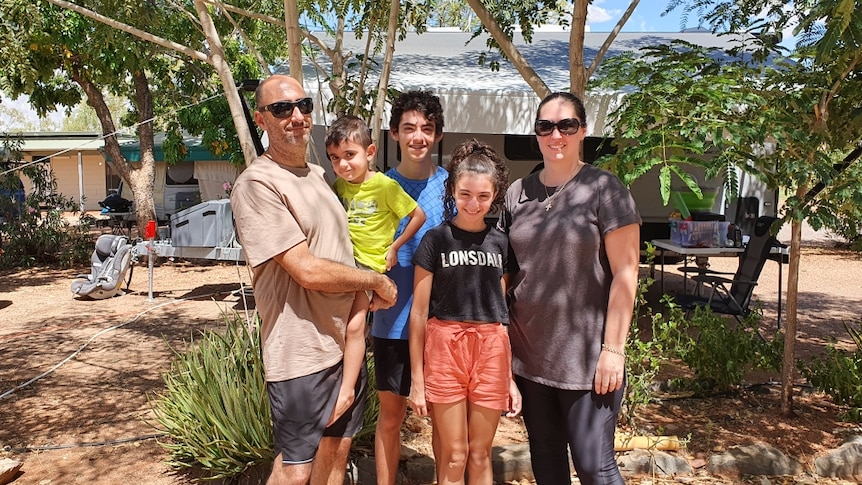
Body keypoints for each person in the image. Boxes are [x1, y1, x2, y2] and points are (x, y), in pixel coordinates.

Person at [230, 74, 397, 485]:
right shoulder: (257, 184)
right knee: (295, 468)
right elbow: (304, 268)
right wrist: (371, 281)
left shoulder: (320, 175)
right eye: (282, 109)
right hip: (301, 353)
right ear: (261, 119)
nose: (297, 116)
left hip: (343, 347)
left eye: (303, 105)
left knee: (337, 450)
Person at [497, 92, 642, 485]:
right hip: (530, 359)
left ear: (583, 131)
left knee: (595, 467)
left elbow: (627, 273)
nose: (555, 135)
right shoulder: (517, 194)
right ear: (537, 134)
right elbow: (505, 273)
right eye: (546, 127)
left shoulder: (604, 189)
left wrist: (614, 350)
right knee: (546, 463)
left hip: (588, 361)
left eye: (566, 126)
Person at [407, 139, 522, 485]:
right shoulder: (435, 240)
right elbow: (418, 312)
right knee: (454, 455)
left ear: (495, 195)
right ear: (453, 190)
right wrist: (417, 378)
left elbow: (502, 310)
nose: (473, 204)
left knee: (480, 454)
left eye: (483, 196)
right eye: (465, 194)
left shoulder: (501, 242)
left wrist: (510, 377)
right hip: (445, 347)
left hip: (491, 349)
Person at [371, 90, 448, 485]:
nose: (418, 136)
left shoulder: (454, 190)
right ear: (394, 133)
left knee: (441, 422)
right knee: (391, 418)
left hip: (441, 327)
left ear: (436, 135)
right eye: (409, 128)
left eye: (427, 129)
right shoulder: (377, 187)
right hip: (390, 324)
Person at [327, 114, 427, 278]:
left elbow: (418, 216)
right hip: (344, 260)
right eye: (335, 157)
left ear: (370, 152)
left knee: (360, 304)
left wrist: (395, 247)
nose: (342, 164)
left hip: (371, 264)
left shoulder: (385, 186)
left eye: (349, 155)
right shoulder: (339, 185)